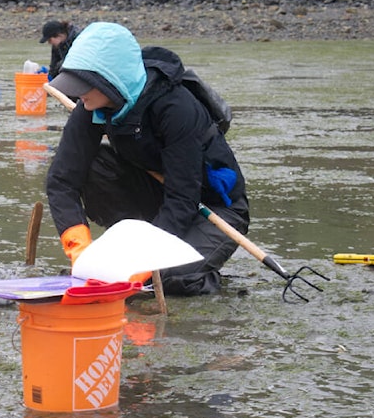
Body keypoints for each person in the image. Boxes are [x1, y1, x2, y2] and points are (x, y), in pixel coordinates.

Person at [44, 22, 250, 296]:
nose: (78, 93)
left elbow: (182, 198)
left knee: (168, 280)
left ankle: (191, 274)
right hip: (155, 195)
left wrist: (144, 264)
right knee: (93, 166)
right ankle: (128, 251)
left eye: (84, 85)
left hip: (210, 208)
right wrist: (78, 249)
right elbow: (61, 180)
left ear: (111, 81)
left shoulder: (175, 108)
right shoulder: (92, 105)